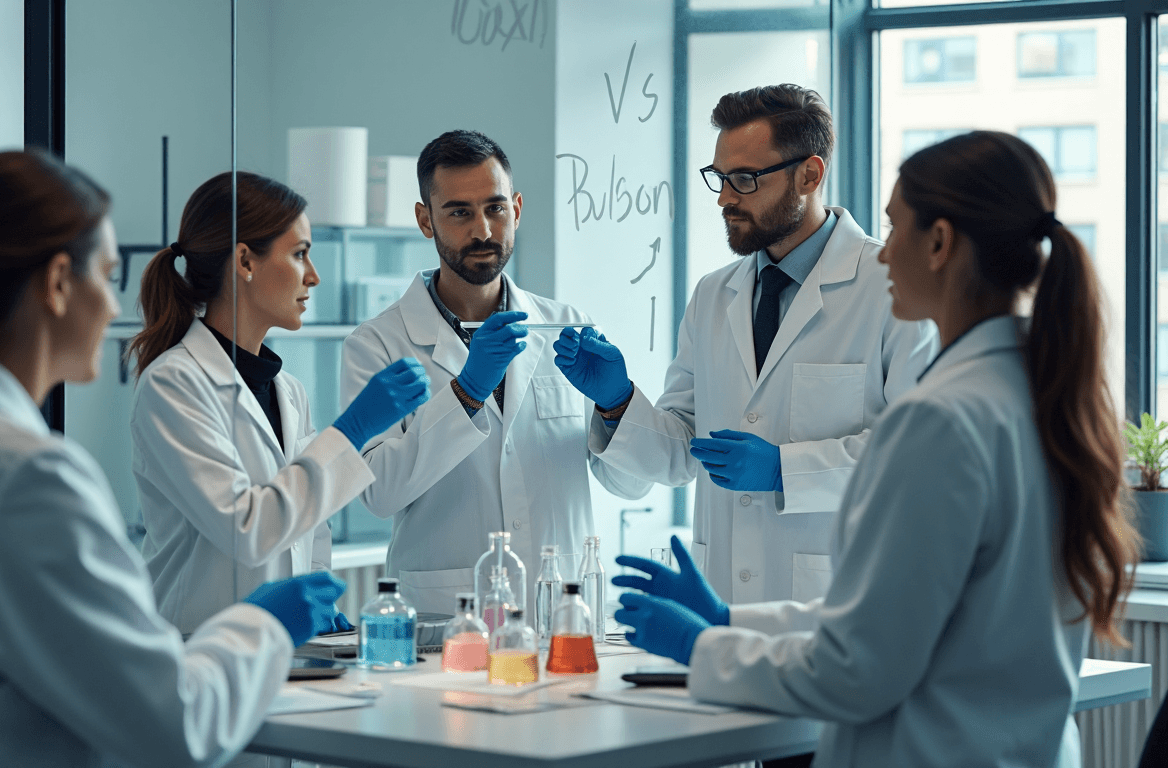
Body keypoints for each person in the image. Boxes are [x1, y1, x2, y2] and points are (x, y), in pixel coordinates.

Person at [613, 130, 1140, 768]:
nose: (884, 255)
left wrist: (702, 649)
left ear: (940, 243)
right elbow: (906, 617)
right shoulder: (1046, 394)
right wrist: (731, 619)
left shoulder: (942, 419)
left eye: (895, 230)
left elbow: (857, 669)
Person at [0, 151, 348, 766]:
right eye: (104, 273)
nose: (113, 302)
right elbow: (174, 722)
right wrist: (262, 625)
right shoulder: (25, 477)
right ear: (56, 284)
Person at [556, 84, 937, 605]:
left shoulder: (891, 288)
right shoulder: (714, 294)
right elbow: (683, 452)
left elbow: (918, 459)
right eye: (720, 177)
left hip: (839, 598)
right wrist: (618, 401)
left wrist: (786, 469)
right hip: (723, 599)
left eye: (744, 179)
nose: (724, 198)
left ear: (810, 174)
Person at [339, 130, 651, 613]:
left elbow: (632, 484)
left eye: (495, 208)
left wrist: (617, 404)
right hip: (447, 615)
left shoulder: (567, 327)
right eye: (459, 212)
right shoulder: (377, 343)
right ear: (425, 220)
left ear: (518, 209)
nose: (482, 230)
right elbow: (378, 494)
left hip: (559, 607)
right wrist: (466, 393)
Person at [130, 172, 429, 635]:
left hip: (283, 650)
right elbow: (248, 530)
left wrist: (316, 596)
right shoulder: (173, 384)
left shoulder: (288, 390)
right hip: (200, 646)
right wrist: (353, 429)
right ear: (245, 261)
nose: (314, 276)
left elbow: (311, 522)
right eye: (300, 254)